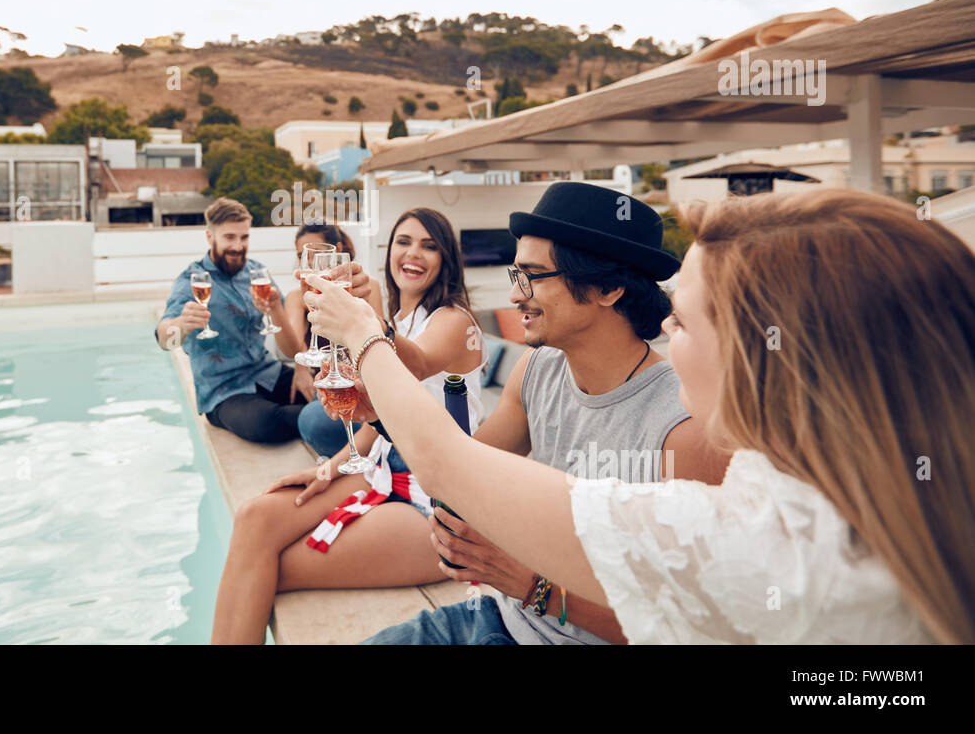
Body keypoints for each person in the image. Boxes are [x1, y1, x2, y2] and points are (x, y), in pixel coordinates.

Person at [306, 187, 974, 643]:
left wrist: (365, 337)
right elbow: (467, 469)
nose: (665, 332)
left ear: (763, 360)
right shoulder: (816, 497)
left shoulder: (762, 536)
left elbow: (451, 463)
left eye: (681, 322)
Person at [361, 183, 729, 645]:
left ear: (608, 287)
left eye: (532, 276)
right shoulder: (538, 366)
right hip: (495, 617)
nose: (516, 296)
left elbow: (688, 627)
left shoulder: (683, 429)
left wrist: (534, 586)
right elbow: (457, 471)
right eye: (517, 274)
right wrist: (377, 414)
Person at [210, 208, 486, 644]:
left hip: (434, 499)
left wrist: (362, 317)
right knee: (255, 518)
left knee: (270, 567)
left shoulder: (455, 321)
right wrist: (332, 466)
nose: (413, 254)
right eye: (404, 242)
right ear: (389, 251)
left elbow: (411, 365)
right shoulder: (401, 319)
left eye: (429, 246)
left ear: (446, 259)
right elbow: (385, 416)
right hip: (381, 470)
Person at [156, 197, 374, 444]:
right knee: (267, 424)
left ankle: (350, 426)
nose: (238, 246)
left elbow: (291, 349)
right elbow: (164, 338)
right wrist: (181, 325)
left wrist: (275, 309)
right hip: (224, 391)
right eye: (229, 237)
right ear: (210, 237)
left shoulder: (256, 272)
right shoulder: (191, 280)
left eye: (244, 237)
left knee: (321, 393)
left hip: (265, 373)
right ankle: (335, 425)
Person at [253, 222, 384, 455]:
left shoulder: (365, 287)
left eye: (316, 256)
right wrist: (275, 309)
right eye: (302, 256)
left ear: (338, 250)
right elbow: (290, 347)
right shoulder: (298, 296)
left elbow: (380, 342)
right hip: (321, 387)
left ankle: (366, 449)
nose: (311, 264)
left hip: (359, 385)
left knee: (311, 421)